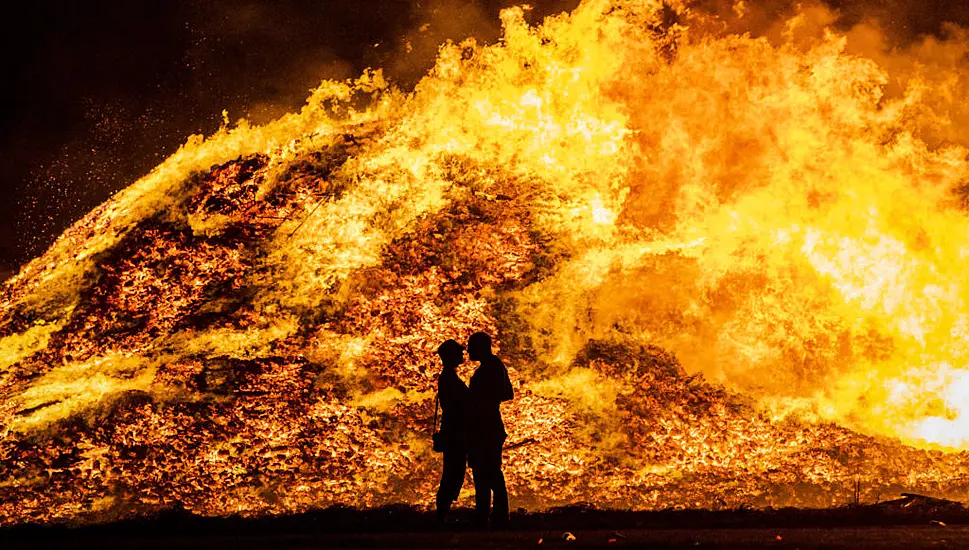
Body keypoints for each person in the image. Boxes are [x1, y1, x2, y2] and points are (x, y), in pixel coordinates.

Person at [466, 331, 514, 529]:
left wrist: (480, 402)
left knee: (487, 474)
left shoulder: (490, 369)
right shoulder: (494, 366)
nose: (468, 350)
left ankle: (493, 519)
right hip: (490, 426)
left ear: (481, 347)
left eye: (471, 346)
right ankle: (489, 518)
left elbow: (496, 396)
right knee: (488, 474)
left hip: (485, 427)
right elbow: (507, 393)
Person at [435, 339, 469, 524]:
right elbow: (458, 407)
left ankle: (441, 515)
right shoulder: (449, 379)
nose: (462, 355)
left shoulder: (448, 377)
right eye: (458, 352)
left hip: (453, 431)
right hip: (455, 433)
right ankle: (441, 516)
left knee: (452, 473)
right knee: (452, 474)